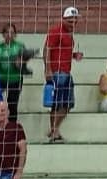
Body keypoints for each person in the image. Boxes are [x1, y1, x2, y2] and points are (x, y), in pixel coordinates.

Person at [43, 6, 81, 143]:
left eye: (75, 21)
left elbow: (62, 52)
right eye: (70, 21)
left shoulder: (69, 36)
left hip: (66, 72)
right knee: (57, 104)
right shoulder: (55, 31)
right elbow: (47, 50)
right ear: (63, 19)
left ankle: (54, 129)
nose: (73, 24)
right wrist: (47, 70)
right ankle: (54, 131)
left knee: (68, 104)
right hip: (57, 73)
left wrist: (74, 55)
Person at [0, 24, 34, 121]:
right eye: (7, 32)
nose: (9, 34)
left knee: (12, 105)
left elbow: (24, 61)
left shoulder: (20, 46)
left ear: (15, 34)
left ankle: (12, 128)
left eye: (12, 32)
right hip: (1, 78)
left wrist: (20, 63)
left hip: (15, 79)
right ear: (3, 34)